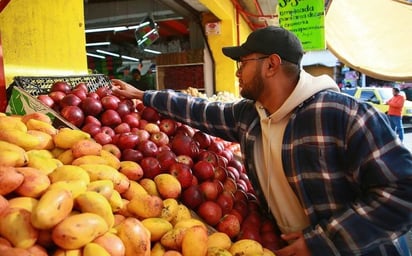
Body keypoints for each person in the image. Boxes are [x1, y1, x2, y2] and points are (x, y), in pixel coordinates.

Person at [111, 26, 412, 255]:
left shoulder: (338, 113)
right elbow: (202, 110)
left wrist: (322, 241)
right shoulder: (252, 115)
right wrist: (143, 95)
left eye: (243, 63)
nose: (238, 72)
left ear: (271, 65)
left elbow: (403, 192)